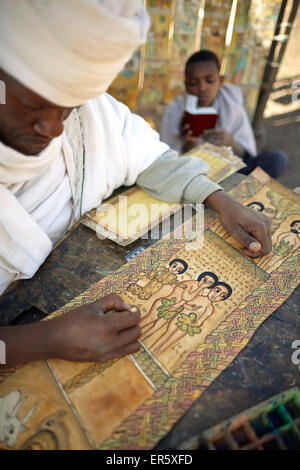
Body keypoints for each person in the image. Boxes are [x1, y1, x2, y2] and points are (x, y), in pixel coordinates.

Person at [0, 1, 271, 365]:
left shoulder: (90, 113)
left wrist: (220, 199)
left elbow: (149, 156)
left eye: (68, 108)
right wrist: (42, 340)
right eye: (31, 105)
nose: (54, 129)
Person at [160, 49, 287, 179]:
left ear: (220, 81)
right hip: (195, 177)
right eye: (194, 83)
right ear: (186, 85)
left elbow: (245, 155)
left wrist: (230, 142)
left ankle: (224, 194)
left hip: (230, 173)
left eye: (209, 80)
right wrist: (189, 143)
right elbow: (170, 165)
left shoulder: (231, 102)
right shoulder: (174, 111)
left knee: (276, 160)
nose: (202, 88)